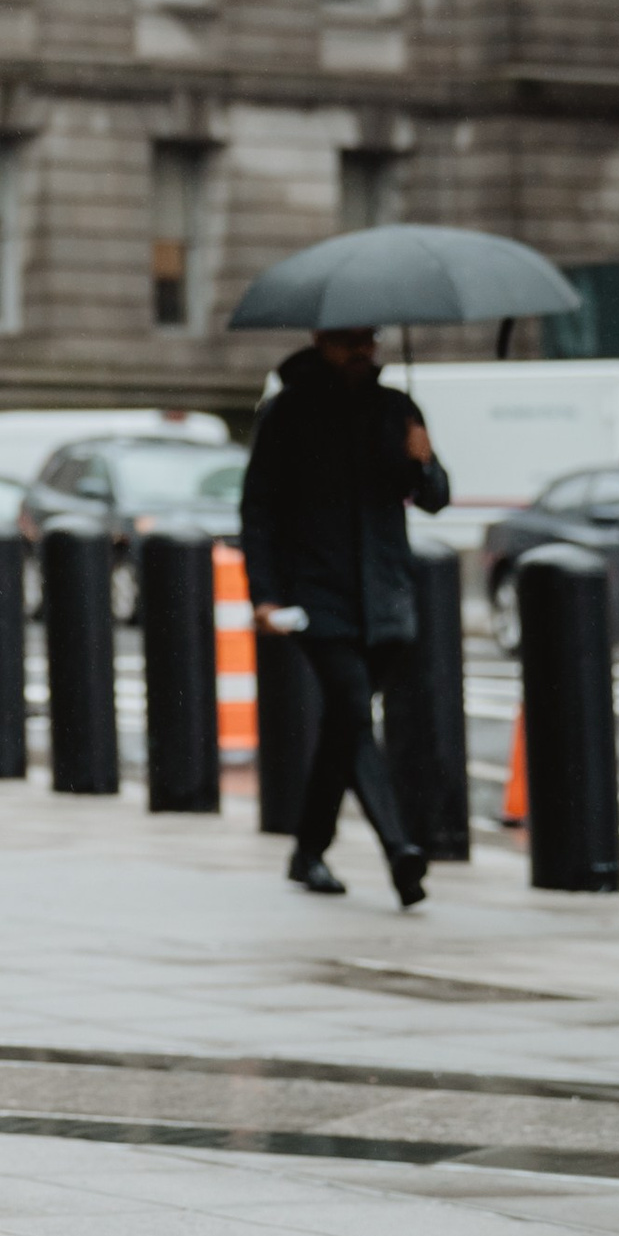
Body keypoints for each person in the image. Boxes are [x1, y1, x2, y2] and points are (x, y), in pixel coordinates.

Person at [241, 325, 447, 908]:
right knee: (352, 708)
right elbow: (258, 510)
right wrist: (265, 595)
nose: (363, 352)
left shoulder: (396, 408)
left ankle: (308, 849)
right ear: (322, 342)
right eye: (349, 341)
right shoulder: (288, 412)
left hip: (384, 597)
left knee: (343, 725)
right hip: (316, 596)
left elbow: (435, 496)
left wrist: (424, 463)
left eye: (369, 341)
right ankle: (399, 849)